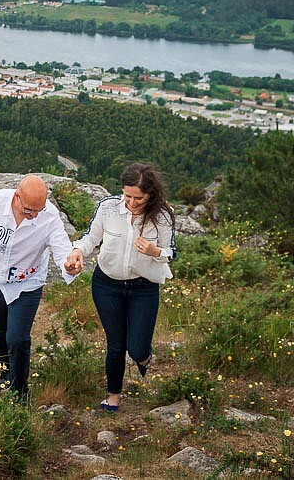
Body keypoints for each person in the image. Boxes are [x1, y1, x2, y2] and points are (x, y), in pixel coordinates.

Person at [0, 175, 82, 398]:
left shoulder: (49, 216)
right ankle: (4, 371)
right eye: (29, 210)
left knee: (18, 338)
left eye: (38, 210)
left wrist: (69, 265)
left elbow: (62, 249)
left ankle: (20, 390)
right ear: (16, 196)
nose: (33, 215)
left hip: (27, 282)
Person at [66, 162, 176, 411]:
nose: (132, 202)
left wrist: (154, 250)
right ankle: (113, 396)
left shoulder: (162, 216)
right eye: (128, 195)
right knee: (116, 344)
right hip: (107, 284)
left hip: (143, 287)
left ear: (151, 194)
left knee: (136, 348)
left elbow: (172, 252)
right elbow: (90, 238)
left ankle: (143, 357)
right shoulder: (108, 208)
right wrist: (76, 252)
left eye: (139, 197)